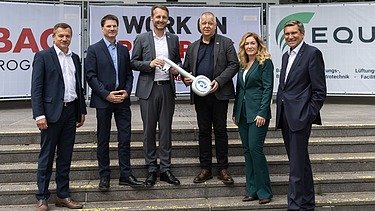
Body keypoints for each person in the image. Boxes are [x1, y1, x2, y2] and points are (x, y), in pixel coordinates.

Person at [31, 22, 86, 210]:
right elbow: (36, 88)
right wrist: (39, 115)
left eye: (67, 36)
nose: (64, 39)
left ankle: (63, 195)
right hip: (51, 114)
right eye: (60, 36)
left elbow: (78, 86)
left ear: (71, 37)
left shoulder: (75, 58)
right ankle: (42, 197)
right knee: (46, 157)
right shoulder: (43, 56)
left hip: (71, 112)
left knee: (65, 156)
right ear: (53, 36)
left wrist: (81, 111)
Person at [85, 14, 143, 191]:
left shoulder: (124, 50)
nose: (111, 29)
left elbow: (128, 75)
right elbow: (90, 76)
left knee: (125, 138)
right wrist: (106, 94)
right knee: (103, 139)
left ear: (117, 28)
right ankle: (104, 176)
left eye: (114, 26)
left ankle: (126, 174)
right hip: (104, 100)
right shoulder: (94, 49)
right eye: (108, 26)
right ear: (102, 29)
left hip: (122, 101)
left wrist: (126, 91)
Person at [182, 11, 239, 185]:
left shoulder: (226, 43)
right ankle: (205, 168)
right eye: (204, 23)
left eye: (210, 23)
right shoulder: (192, 47)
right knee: (204, 132)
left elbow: (234, 64)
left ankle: (223, 169)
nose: (207, 26)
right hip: (201, 96)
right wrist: (186, 78)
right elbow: (186, 69)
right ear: (199, 26)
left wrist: (219, 81)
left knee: (221, 131)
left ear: (215, 25)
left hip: (219, 94)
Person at [276, 20, 326, 210]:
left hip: (300, 117)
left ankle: (295, 206)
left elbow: (319, 91)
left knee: (296, 169)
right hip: (286, 116)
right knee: (301, 164)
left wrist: (308, 114)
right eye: (287, 34)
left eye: (293, 33)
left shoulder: (312, 54)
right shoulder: (285, 55)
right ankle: (307, 204)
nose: (290, 37)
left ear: (302, 34)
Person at [131, 5, 181, 187]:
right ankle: (152, 168)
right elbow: (133, 62)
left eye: (164, 17)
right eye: (158, 17)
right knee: (149, 131)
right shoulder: (142, 38)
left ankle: (165, 169)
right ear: (152, 19)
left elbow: (178, 61)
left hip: (167, 88)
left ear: (168, 20)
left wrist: (176, 69)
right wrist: (149, 64)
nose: (161, 20)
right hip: (148, 90)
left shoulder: (173, 38)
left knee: (166, 130)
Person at [232, 32, 273, 204]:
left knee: (256, 151)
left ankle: (264, 192)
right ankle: (252, 190)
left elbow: (268, 88)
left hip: (258, 114)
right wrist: (235, 111)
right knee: (247, 152)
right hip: (243, 114)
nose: (249, 46)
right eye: (246, 44)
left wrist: (262, 112)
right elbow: (240, 90)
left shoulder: (265, 62)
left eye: (252, 43)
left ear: (258, 45)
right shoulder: (243, 64)